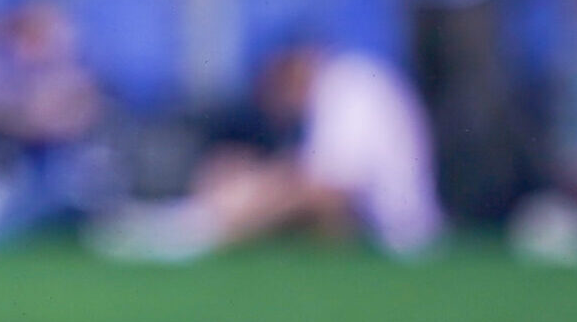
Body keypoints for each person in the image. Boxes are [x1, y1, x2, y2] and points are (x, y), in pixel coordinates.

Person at [89, 45, 442, 261]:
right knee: (250, 183)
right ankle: (185, 227)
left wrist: (251, 191)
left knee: (252, 190)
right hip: (372, 226)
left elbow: (328, 187)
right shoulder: (345, 84)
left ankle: (186, 233)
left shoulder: (348, 86)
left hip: (396, 234)